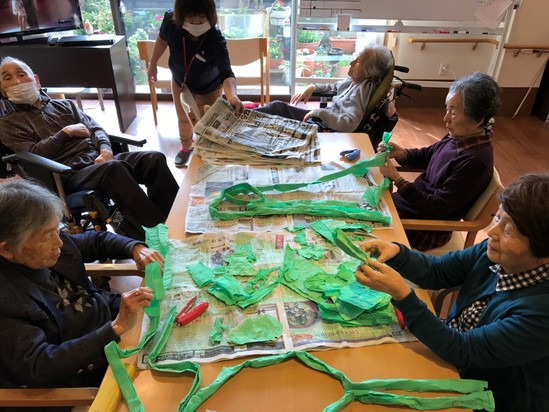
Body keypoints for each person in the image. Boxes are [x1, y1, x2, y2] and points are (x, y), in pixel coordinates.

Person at [355, 173, 549, 412]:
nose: (492, 232)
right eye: (497, 217)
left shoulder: (541, 313)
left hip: (488, 396)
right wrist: (397, 253)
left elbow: (463, 350)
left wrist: (403, 295)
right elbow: (439, 270)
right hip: (453, 353)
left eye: (509, 230)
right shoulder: (495, 252)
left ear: (544, 254)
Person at [0, 179, 162, 389]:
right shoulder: (6, 301)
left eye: (56, 230)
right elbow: (39, 366)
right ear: (7, 249)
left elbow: (96, 241)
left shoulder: (47, 244)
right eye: (47, 236)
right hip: (85, 365)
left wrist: (135, 248)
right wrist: (115, 328)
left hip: (107, 316)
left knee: (172, 305)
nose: (59, 243)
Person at [0, 56, 179, 241]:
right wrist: (66, 133)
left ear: (36, 80)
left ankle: (174, 222)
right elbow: (34, 154)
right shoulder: (8, 124)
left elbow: (95, 129)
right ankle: (159, 237)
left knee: (153, 159)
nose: (17, 81)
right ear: (3, 91)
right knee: (113, 169)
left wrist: (105, 151)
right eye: (8, 78)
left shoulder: (65, 105)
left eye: (21, 74)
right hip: (66, 175)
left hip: (97, 160)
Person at [378, 71, 501, 251]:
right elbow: (428, 155)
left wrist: (398, 180)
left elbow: (435, 208)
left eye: (453, 113)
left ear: (478, 120)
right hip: (408, 208)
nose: (445, 118)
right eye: (447, 109)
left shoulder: (475, 162)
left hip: (422, 229)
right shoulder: (461, 136)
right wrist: (402, 154)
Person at [147, 0, 243, 167]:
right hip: (180, 82)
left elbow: (226, 73)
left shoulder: (215, 39)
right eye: (191, 19)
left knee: (209, 124)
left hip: (209, 87)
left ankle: (209, 153)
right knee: (183, 118)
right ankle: (186, 147)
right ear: (181, 16)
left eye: (202, 18)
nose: (197, 23)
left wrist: (232, 96)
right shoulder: (171, 22)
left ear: (210, 16)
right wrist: (153, 64)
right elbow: (162, 40)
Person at [255, 44, 393, 133]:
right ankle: (243, 115)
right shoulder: (353, 81)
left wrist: (319, 113)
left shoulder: (361, 90)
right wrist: (313, 87)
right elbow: (333, 87)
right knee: (277, 107)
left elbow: (350, 124)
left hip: (325, 126)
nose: (351, 63)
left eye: (358, 62)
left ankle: (248, 124)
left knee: (278, 125)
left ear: (369, 72)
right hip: (322, 118)